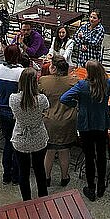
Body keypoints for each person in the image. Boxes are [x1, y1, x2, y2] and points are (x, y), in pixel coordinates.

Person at [60, 60, 110, 202]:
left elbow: (64, 98)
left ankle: (91, 187)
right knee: (101, 154)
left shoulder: (82, 85)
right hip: (101, 124)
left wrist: (76, 105)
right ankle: (101, 186)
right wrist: (107, 110)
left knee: (89, 157)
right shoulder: (107, 84)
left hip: (85, 125)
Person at [10, 68, 49, 201]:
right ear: (35, 82)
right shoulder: (42, 100)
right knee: (39, 170)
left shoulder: (13, 99)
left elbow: (15, 115)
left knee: (23, 172)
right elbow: (45, 112)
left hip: (20, 138)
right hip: (38, 137)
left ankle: (26, 201)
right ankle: (43, 197)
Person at [39, 55, 77, 186]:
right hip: (67, 121)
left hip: (49, 120)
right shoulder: (73, 81)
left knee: (49, 151)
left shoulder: (44, 81)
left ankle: (47, 178)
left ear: (54, 68)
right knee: (64, 150)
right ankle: (64, 177)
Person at [0, 44, 24, 184]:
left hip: (2, 110)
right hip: (16, 113)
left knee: (8, 142)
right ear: (18, 56)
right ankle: (16, 176)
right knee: (17, 144)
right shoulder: (21, 72)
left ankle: (6, 175)